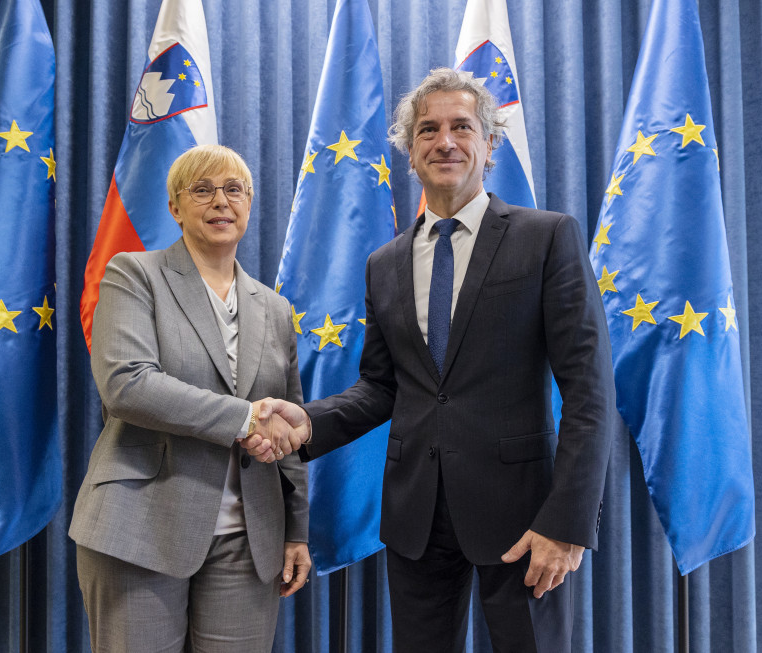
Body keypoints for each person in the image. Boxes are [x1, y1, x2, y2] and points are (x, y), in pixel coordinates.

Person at [245, 68, 615, 652]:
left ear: (490, 142)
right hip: (416, 518)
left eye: (461, 126)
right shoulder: (384, 262)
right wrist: (308, 421)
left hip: (524, 519)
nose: (445, 141)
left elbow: (590, 393)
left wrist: (566, 522)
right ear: (409, 152)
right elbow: (381, 387)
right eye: (427, 130)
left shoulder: (547, 238)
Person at [70, 144, 311, 653]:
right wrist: (246, 419)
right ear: (176, 207)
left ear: (249, 204)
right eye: (202, 190)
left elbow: (287, 426)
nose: (220, 201)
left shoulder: (277, 308)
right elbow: (128, 385)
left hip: (249, 542)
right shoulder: (134, 274)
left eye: (234, 190)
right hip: (140, 529)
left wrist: (297, 530)